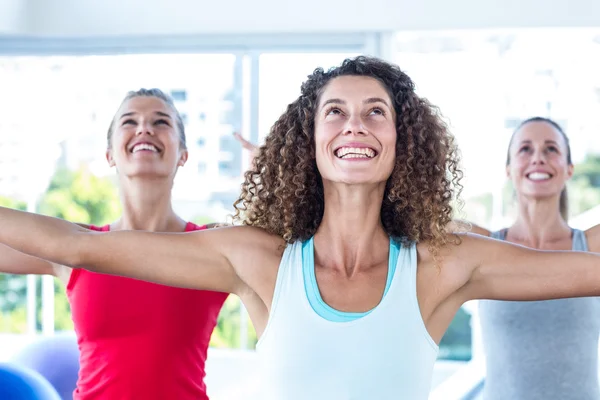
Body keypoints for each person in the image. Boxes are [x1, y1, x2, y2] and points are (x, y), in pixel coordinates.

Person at [1, 57, 600, 400]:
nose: (355, 126)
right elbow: (76, 244)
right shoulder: (257, 260)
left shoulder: (442, 266)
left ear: (402, 142)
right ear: (309, 142)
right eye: (334, 112)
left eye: (376, 112)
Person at [0, 88, 228, 400]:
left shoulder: (214, 248)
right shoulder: (73, 249)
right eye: (129, 121)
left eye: (161, 122)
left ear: (183, 154)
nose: (144, 128)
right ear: (110, 154)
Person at [460, 118, 600, 400]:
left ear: (569, 169)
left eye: (551, 149)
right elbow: (416, 223)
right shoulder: (482, 247)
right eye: (525, 149)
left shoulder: (592, 246)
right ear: (509, 170)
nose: (538, 158)